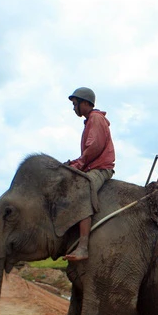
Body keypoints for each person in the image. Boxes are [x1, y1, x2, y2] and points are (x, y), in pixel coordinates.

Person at [63, 87, 115, 261]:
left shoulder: (95, 118)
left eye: (75, 104)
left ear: (85, 103)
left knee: (84, 190)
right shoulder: (90, 121)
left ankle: (83, 247)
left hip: (100, 169)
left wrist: (79, 163)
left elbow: (94, 147)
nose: (74, 108)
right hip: (92, 166)